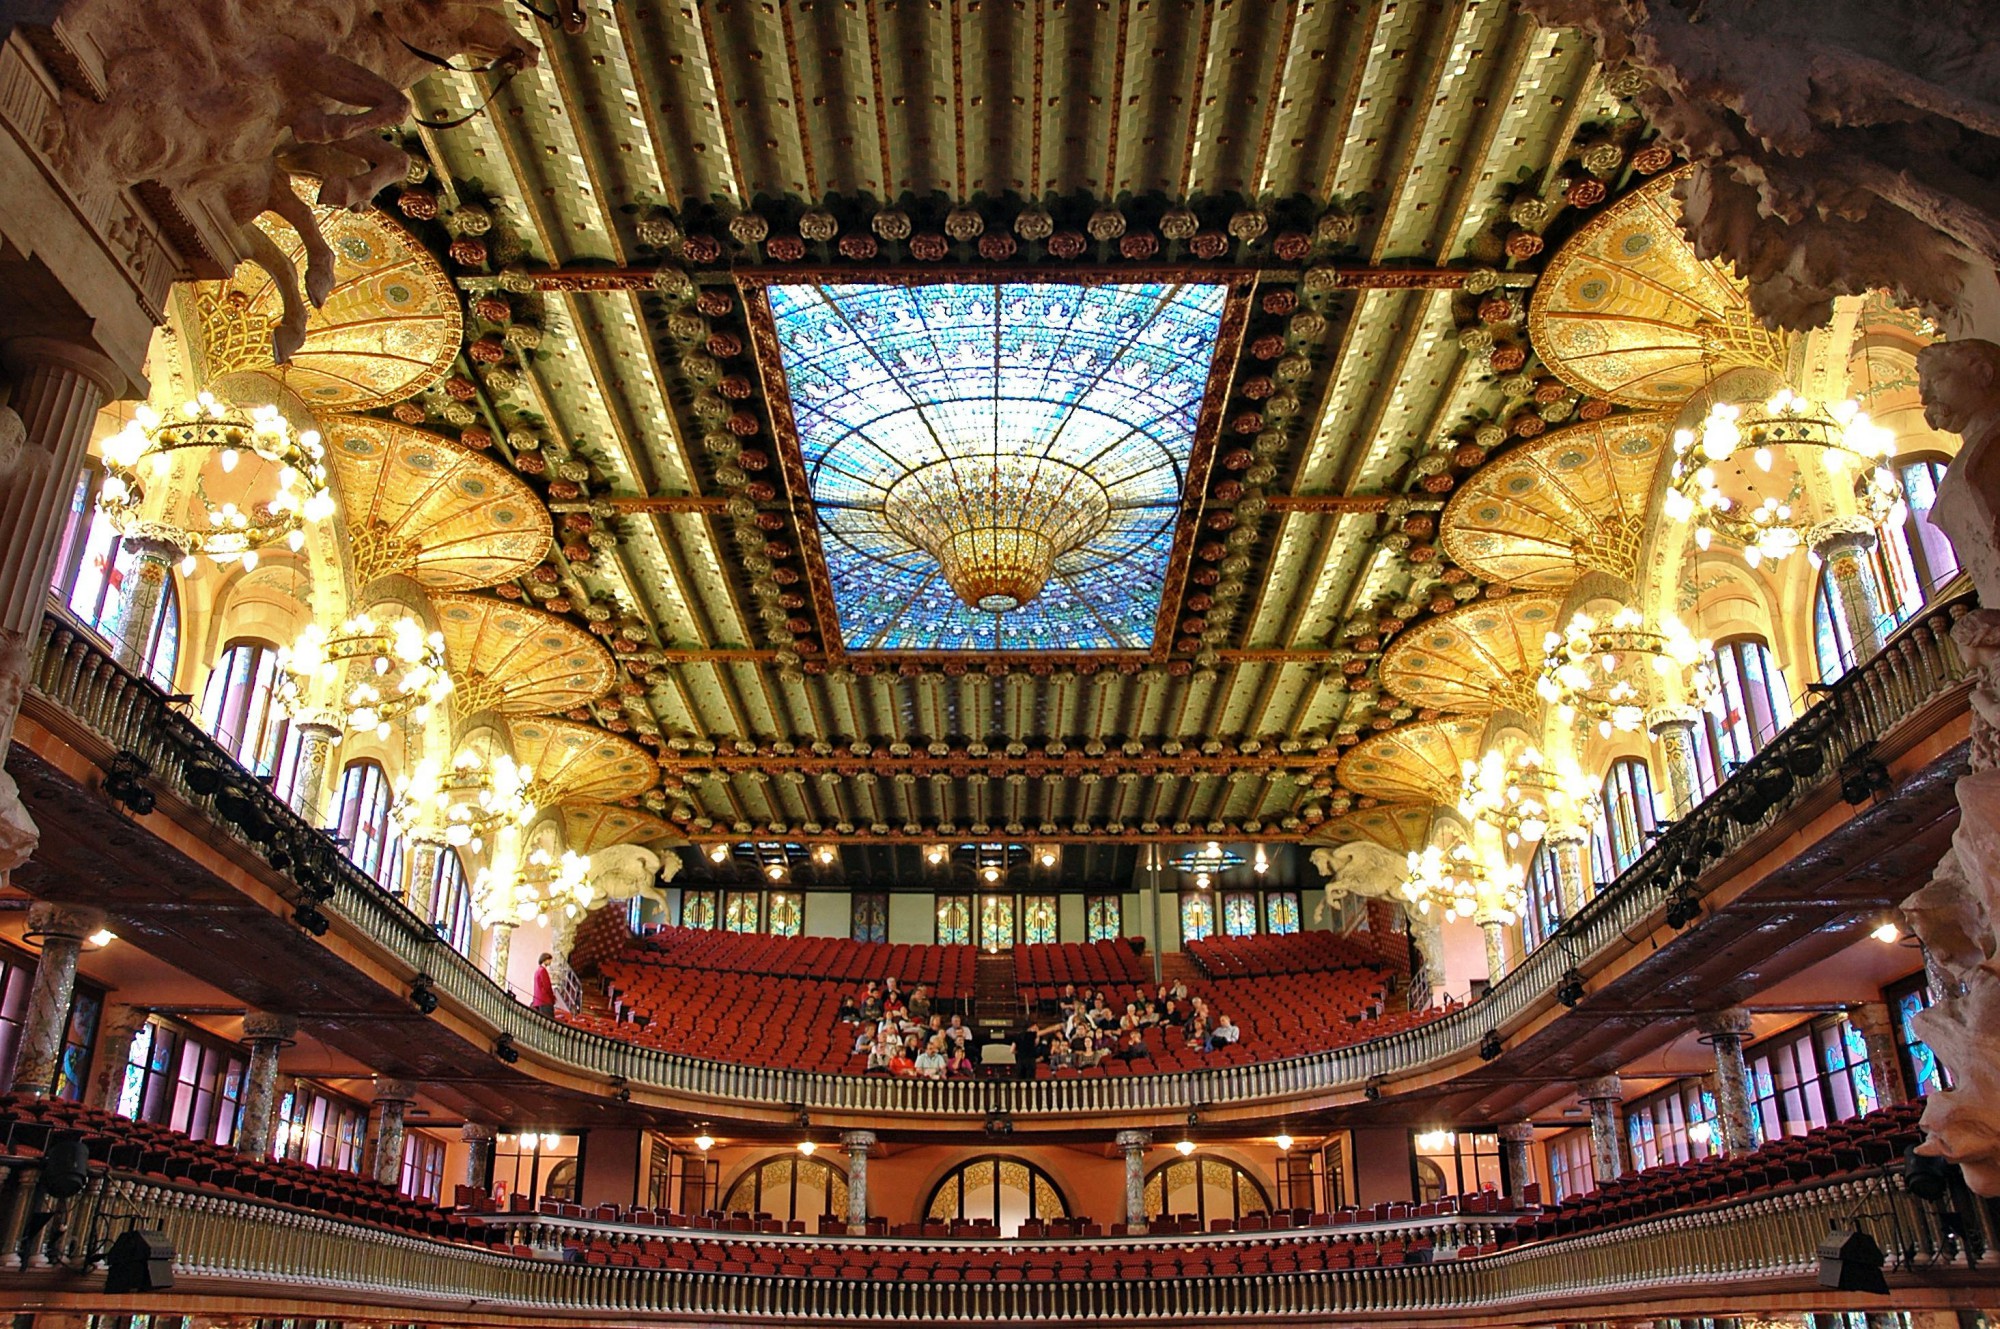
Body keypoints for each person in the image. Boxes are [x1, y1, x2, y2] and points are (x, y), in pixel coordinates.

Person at [531, 952, 557, 1017]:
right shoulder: (543, 971)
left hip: (538, 1000)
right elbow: (547, 986)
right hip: (545, 1000)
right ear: (545, 959)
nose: (550, 962)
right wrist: (552, 998)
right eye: (549, 960)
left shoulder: (537, 971)